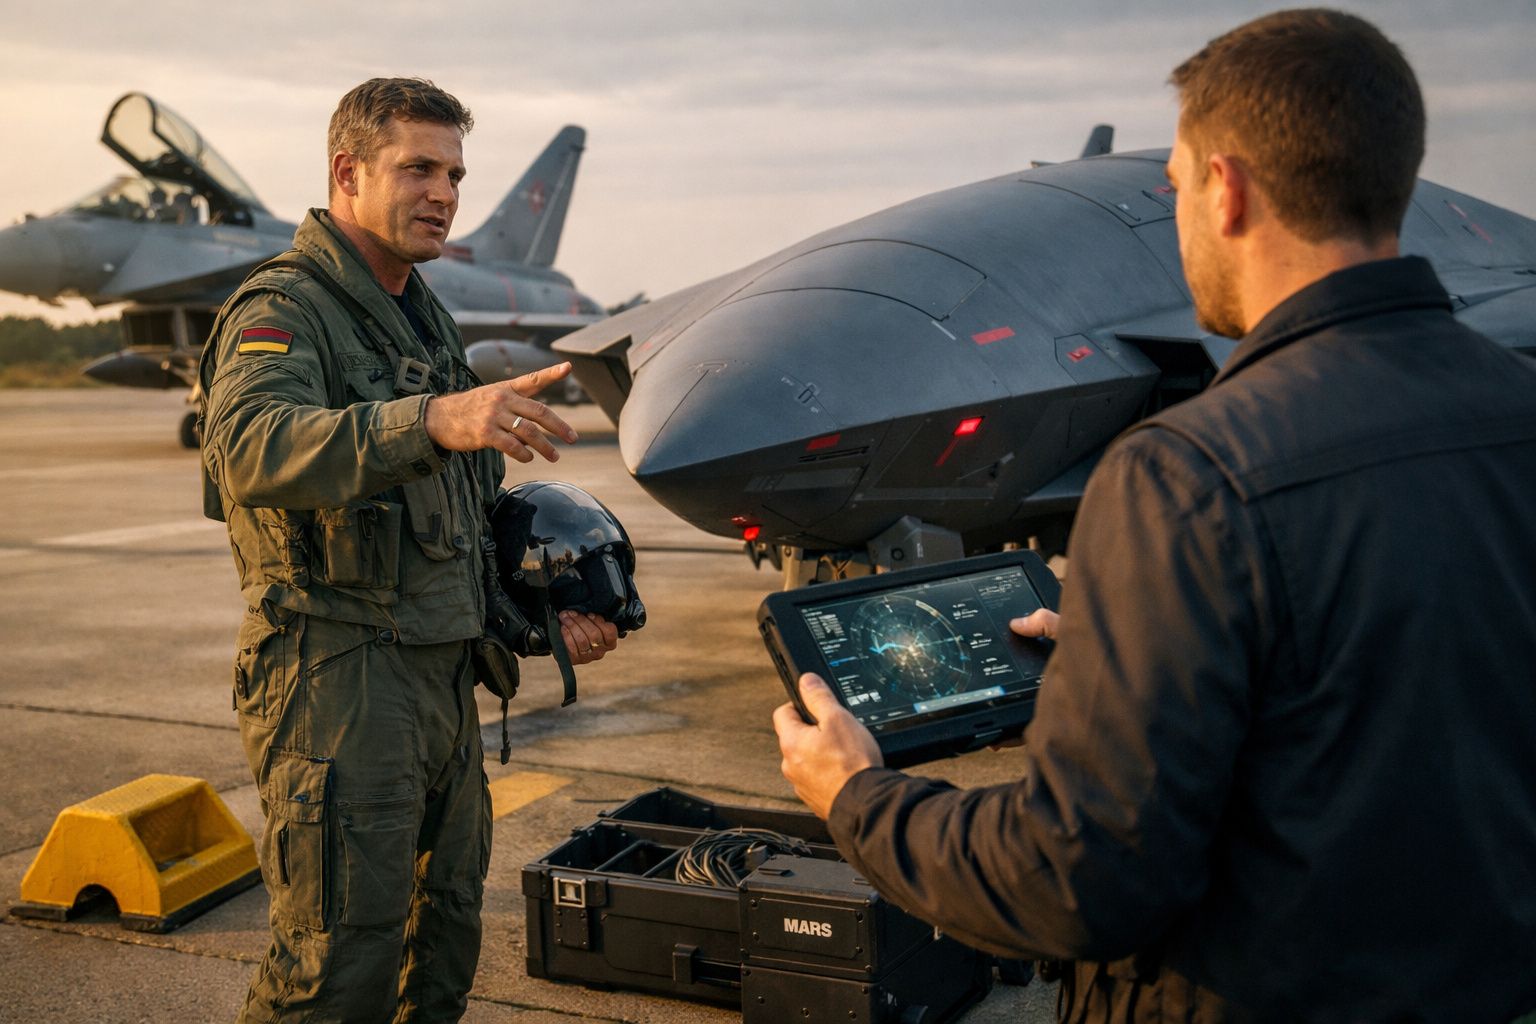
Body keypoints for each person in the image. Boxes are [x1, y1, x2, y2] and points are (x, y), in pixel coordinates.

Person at [775, 10, 1536, 1022]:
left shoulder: (1188, 474)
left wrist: (858, 800)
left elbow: (1075, 883)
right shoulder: (1515, 409)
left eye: (1175, 190)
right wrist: (1147, 648)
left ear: (1225, 191)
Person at [199, 78, 621, 1023]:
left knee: (441, 944)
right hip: (336, 683)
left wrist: (534, 619)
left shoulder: (418, 312)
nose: (444, 193)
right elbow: (249, 447)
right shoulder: (288, 306)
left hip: (436, 683)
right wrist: (432, 417)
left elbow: (455, 520)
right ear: (348, 172)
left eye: (456, 173)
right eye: (418, 168)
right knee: (338, 968)